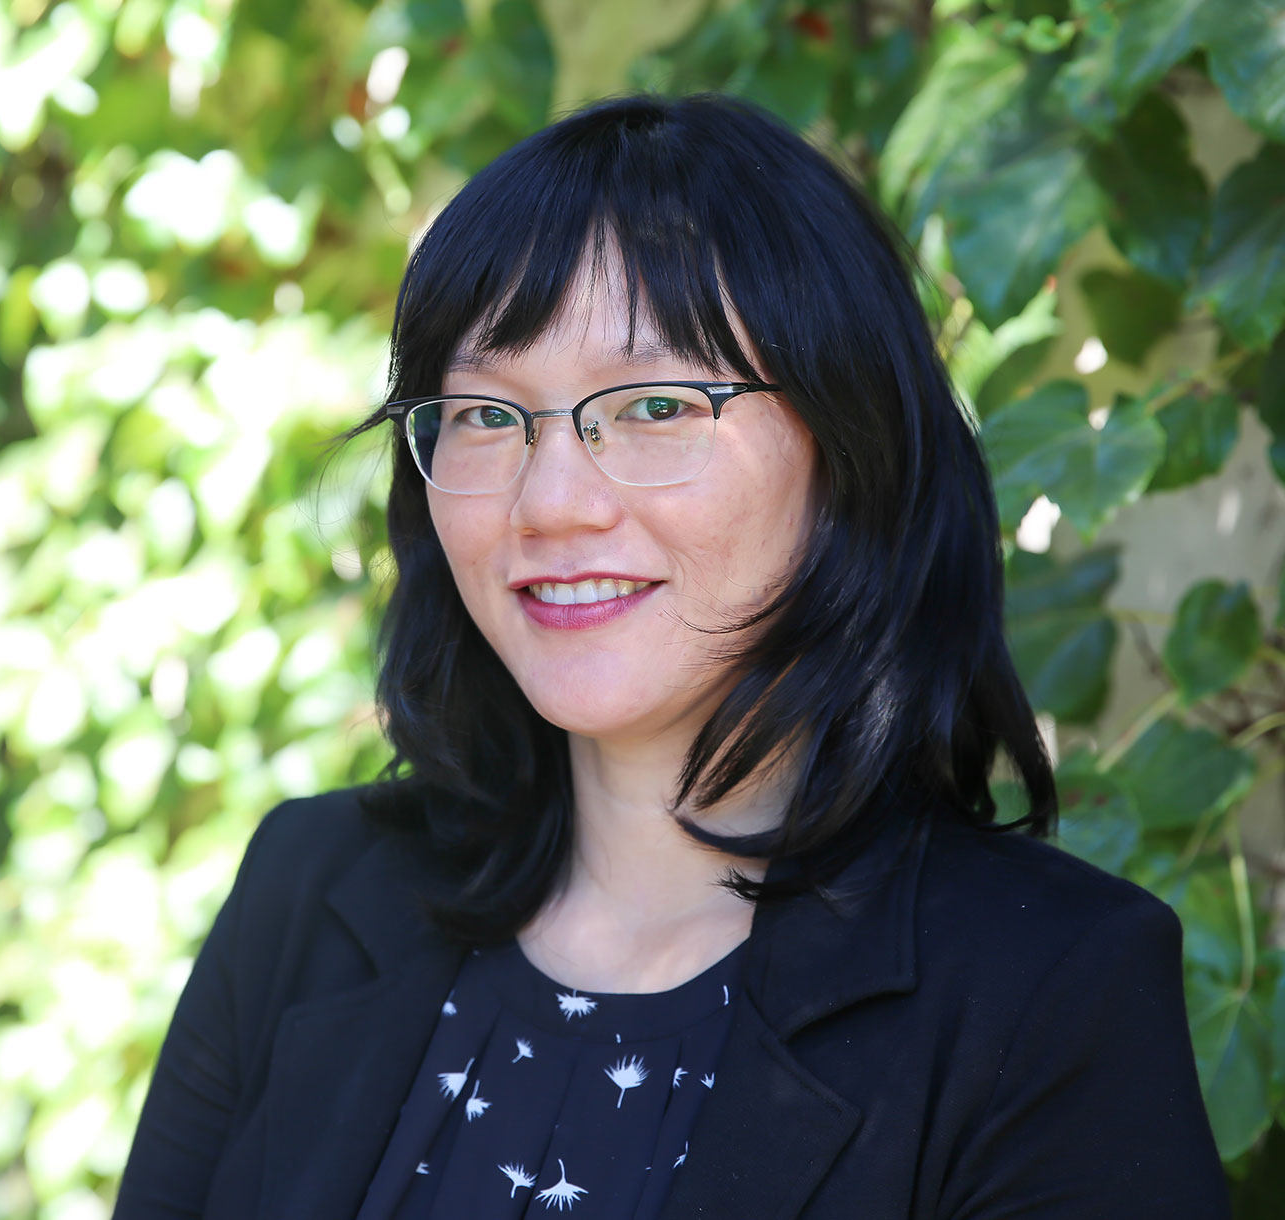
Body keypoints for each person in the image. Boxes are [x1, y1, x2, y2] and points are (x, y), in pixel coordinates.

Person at [112, 94, 1228, 1219]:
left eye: (652, 403)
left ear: (849, 447)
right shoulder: (310, 890)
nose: (549, 502)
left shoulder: (1048, 991)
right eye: (487, 415)